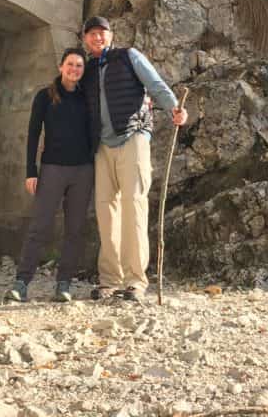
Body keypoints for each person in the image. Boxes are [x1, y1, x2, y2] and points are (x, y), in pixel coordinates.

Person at [79, 16, 187, 302]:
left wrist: (174, 107)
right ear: (84, 40)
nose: (97, 37)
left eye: (101, 32)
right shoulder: (87, 70)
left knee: (134, 206)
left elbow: (154, 83)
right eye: (91, 34)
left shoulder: (129, 56)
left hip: (133, 138)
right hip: (101, 146)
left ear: (111, 36)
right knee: (106, 210)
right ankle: (110, 280)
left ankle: (136, 281)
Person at [5, 47, 93, 303]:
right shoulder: (45, 96)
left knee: (75, 229)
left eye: (79, 65)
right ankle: (21, 283)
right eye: (70, 64)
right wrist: (30, 171)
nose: (74, 69)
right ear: (61, 66)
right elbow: (33, 134)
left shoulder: (87, 98)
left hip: (83, 171)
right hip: (52, 168)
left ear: (83, 70)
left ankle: (63, 285)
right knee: (39, 226)